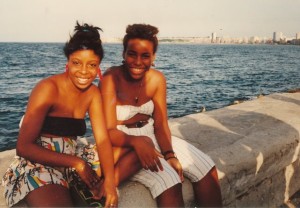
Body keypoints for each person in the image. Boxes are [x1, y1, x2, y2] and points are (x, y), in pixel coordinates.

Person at [100, 24, 223, 207]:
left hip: (151, 135)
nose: (138, 61)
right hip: (123, 140)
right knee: (169, 182)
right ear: (123, 54)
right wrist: (137, 142)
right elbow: (108, 130)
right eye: (132, 54)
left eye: (145, 55)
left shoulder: (157, 79)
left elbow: (160, 123)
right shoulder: (111, 78)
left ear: (153, 57)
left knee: (207, 167)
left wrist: (170, 154)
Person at [2, 22, 118, 207]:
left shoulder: (92, 93)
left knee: (130, 150)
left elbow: (102, 139)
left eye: (92, 65)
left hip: (73, 156)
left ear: (98, 66)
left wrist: (111, 183)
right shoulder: (47, 89)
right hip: (39, 163)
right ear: (68, 61)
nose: (83, 71)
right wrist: (77, 164)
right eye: (77, 63)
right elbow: (23, 147)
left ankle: (97, 187)